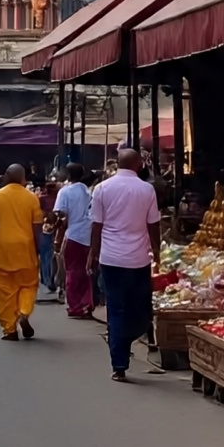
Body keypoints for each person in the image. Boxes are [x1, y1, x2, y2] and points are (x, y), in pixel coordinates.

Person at [89, 148, 161, 381]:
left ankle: (119, 363)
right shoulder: (146, 189)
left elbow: (97, 226)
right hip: (138, 260)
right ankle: (124, 347)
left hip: (110, 259)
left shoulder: (102, 188)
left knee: (116, 309)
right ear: (139, 164)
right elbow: (153, 225)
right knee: (139, 308)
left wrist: (93, 253)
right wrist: (157, 251)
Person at [0, 163, 43, 341]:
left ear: (6, 176)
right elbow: (37, 228)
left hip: (4, 250)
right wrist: (39, 250)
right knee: (28, 285)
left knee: (5, 291)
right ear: (23, 178)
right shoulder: (31, 198)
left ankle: (9, 329)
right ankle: (24, 312)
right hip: (25, 249)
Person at [53, 162, 94, 318]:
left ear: (68, 175)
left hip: (74, 235)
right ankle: (86, 303)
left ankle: (75, 306)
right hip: (88, 235)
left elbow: (61, 215)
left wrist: (57, 236)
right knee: (86, 271)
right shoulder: (87, 191)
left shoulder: (65, 192)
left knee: (72, 271)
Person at [37, 174, 61, 298]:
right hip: (48, 228)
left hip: (52, 227)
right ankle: (47, 279)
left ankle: (48, 279)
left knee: (48, 255)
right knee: (48, 255)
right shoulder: (45, 198)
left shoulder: (45, 197)